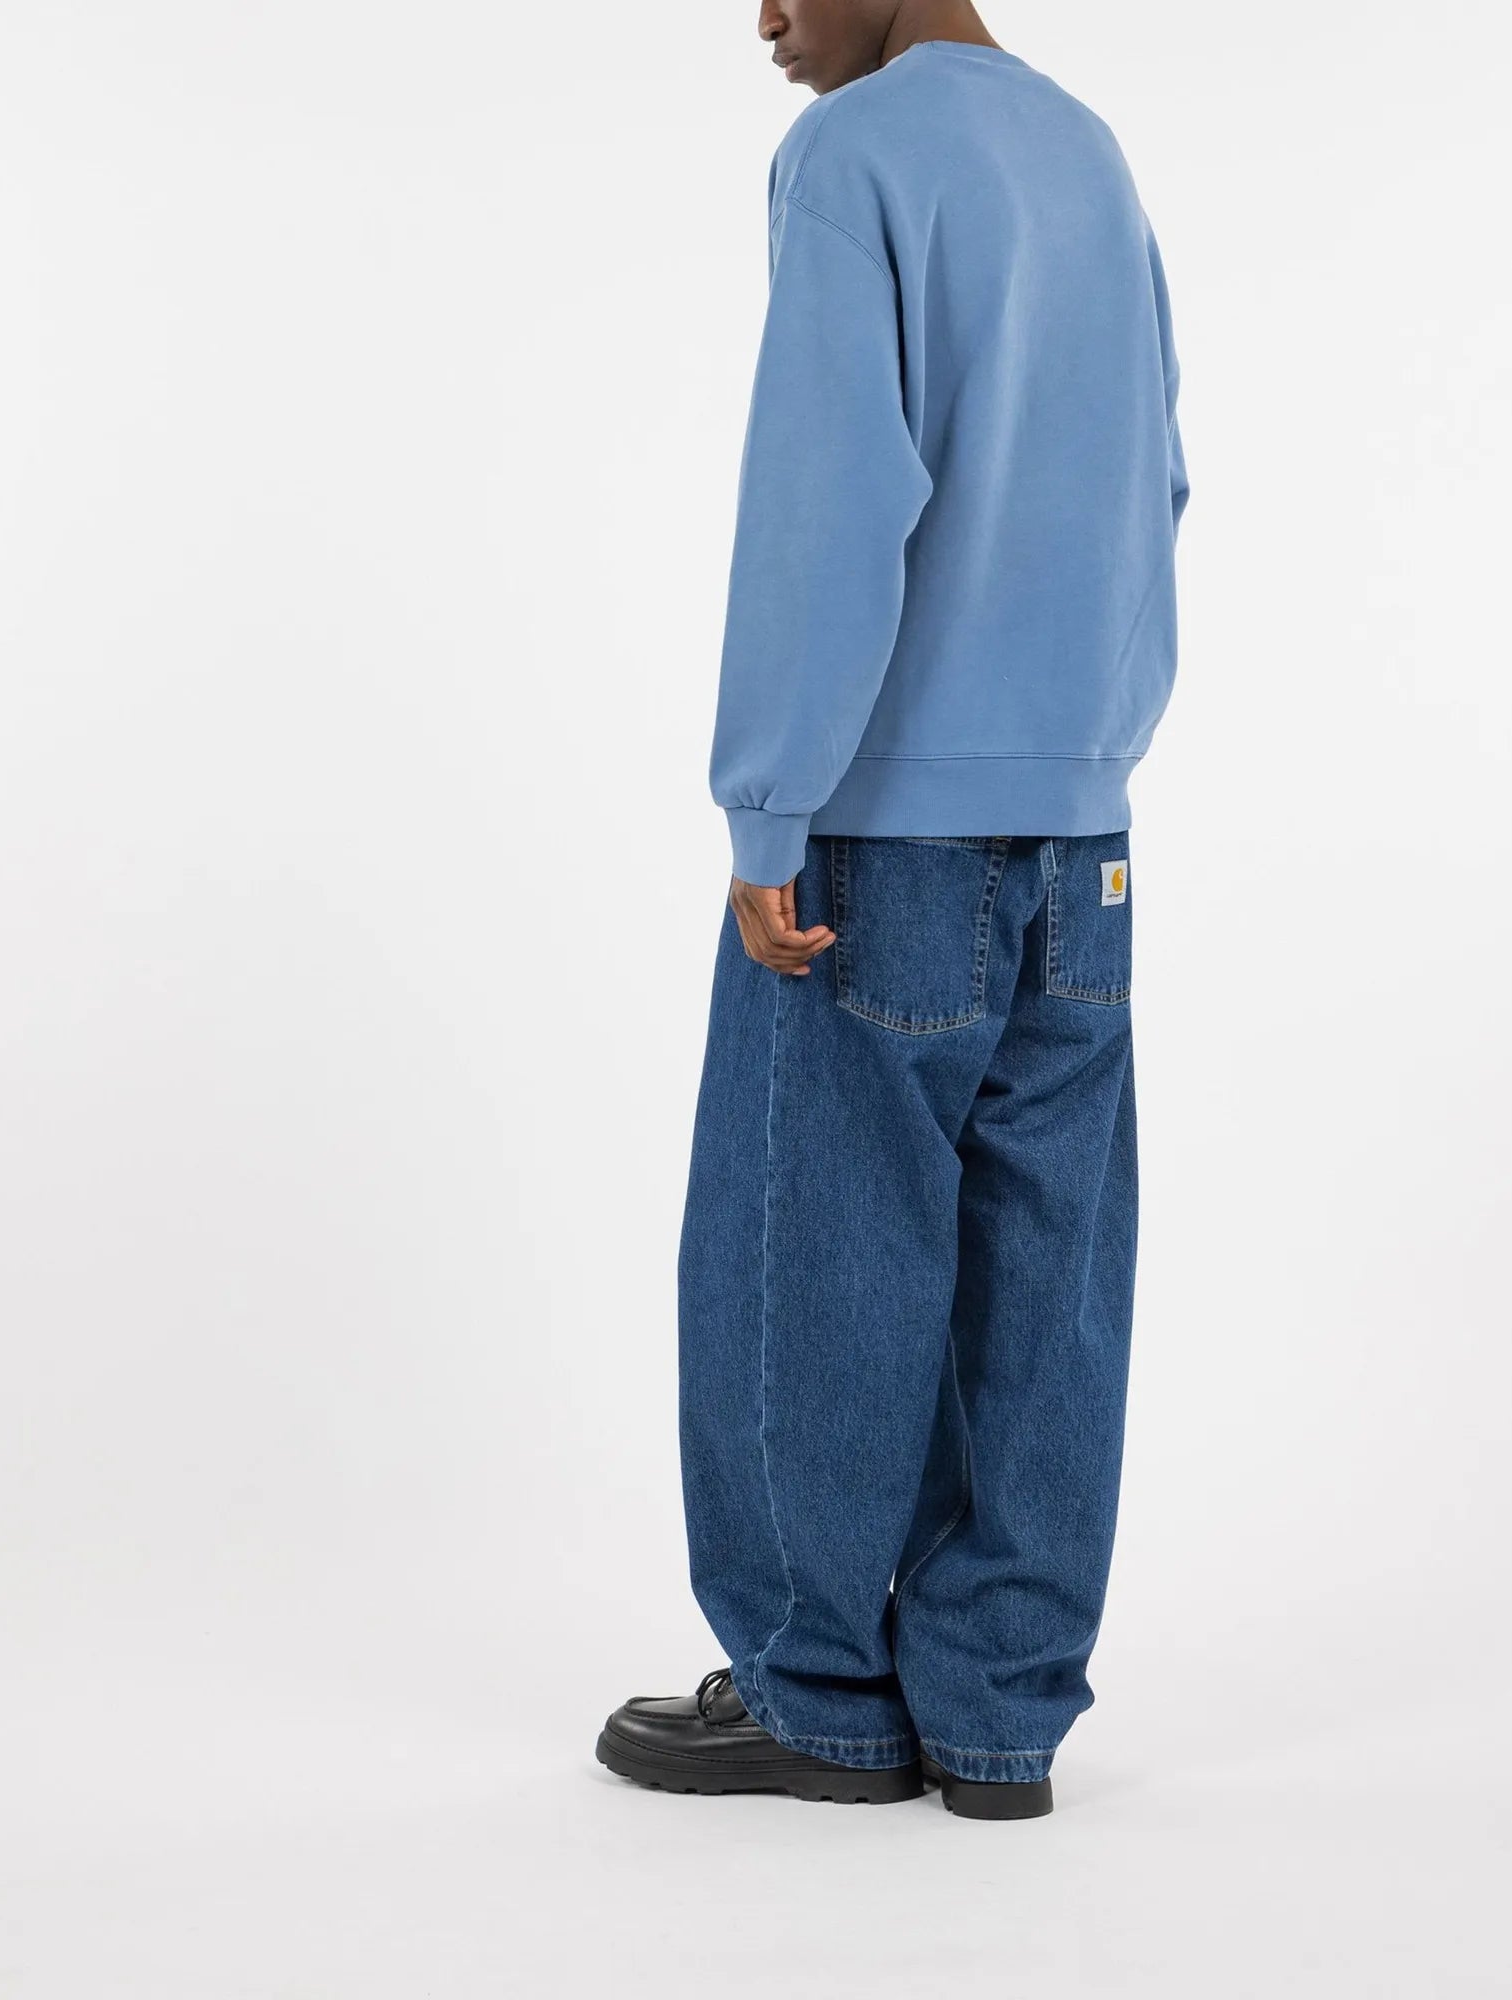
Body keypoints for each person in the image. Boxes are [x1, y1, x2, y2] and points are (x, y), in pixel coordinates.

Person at [596, 0, 1188, 1819]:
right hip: (1080, 841)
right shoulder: (1090, 154)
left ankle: (819, 1695)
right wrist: (1089, 748)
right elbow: (1157, 481)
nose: (764, 15)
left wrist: (768, 802)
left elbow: (829, 500)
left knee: (812, 1254)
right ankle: (998, 1714)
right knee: (1046, 1286)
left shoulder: (853, 157)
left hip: (884, 838)